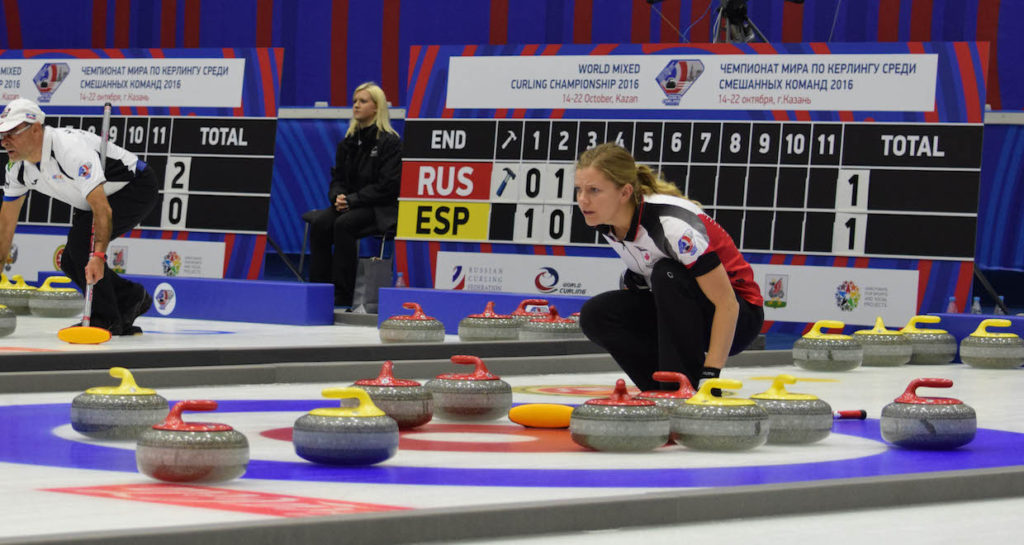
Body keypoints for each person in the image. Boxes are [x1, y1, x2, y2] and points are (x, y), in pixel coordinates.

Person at [575, 143, 764, 392]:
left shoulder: (672, 226)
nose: (583, 200)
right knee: (597, 314)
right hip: (689, 305)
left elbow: (727, 304)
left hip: (739, 316)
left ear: (624, 192)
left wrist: (711, 375)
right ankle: (663, 389)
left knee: (666, 273)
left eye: (594, 190)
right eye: (579, 190)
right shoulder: (608, 222)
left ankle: (686, 388)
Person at [0, 98, 156, 335]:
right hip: (89, 199)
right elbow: (5, 228)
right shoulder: (17, 169)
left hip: (133, 186)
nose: (4, 141)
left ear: (35, 129)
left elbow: (102, 209)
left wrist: (100, 255)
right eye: (2, 134)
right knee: (69, 260)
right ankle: (130, 297)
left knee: (85, 245)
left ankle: (105, 319)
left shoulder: (69, 150)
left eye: (11, 133)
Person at [306, 82, 401, 307]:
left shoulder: (390, 142)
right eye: (355, 101)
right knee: (320, 223)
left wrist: (352, 200)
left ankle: (343, 292)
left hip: (380, 207)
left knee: (344, 225)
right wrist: (338, 197)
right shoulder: (348, 142)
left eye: (363, 101)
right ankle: (319, 288)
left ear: (377, 107)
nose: (356, 106)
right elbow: (337, 178)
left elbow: (388, 186)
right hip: (350, 203)